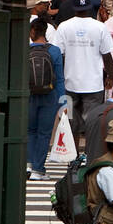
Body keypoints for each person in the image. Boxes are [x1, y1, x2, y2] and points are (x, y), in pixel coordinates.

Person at [53, 0, 113, 137]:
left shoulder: (63, 27)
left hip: (69, 82)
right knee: (93, 122)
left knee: (70, 122)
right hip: (94, 83)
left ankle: (74, 155)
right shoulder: (100, 27)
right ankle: (89, 154)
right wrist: (110, 77)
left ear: (74, 8)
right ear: (89, 8)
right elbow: (107, 55)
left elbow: (58, 55)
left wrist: (60, 78)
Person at [28, 17, 66, 179]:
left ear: (32, 32)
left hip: (29, 96)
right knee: (44, 133)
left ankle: (29, 164)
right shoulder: (55, 51)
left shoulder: (25, 50)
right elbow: (60, 78)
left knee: (30, 131)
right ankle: (38, 169)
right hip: (49, 96)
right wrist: (62, 102)